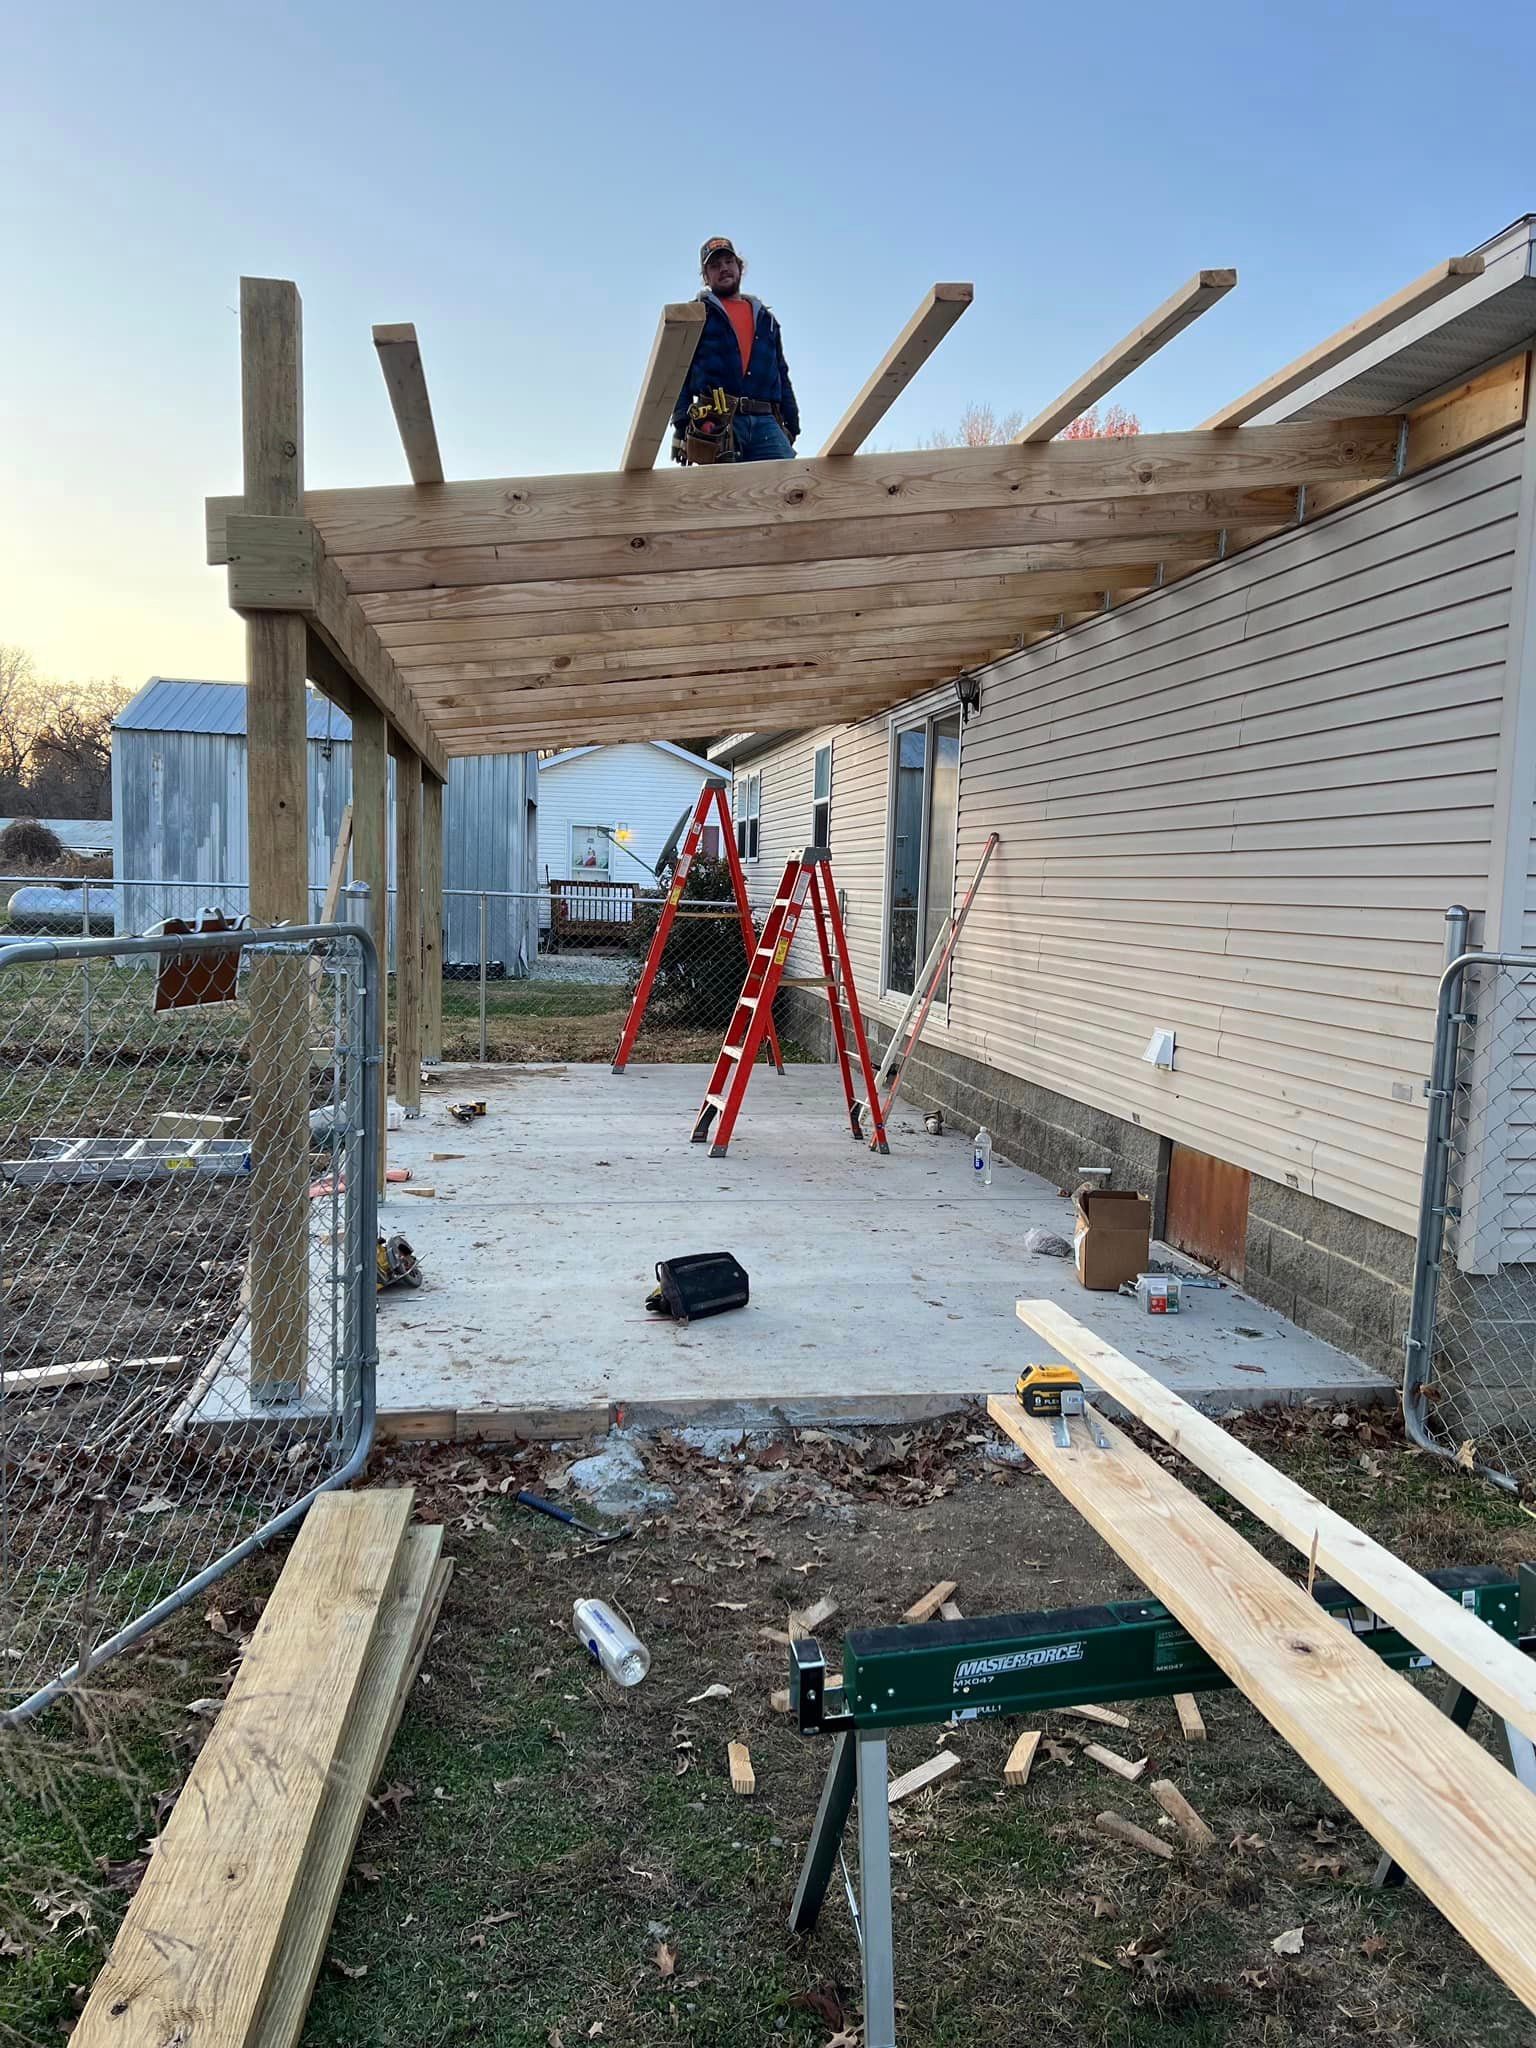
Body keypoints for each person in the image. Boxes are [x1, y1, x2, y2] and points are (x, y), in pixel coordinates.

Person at [671, 237, 801, 463]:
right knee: (721, 494)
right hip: (716, 421)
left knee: (787, 486)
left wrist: (792, 422)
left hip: (765, 420)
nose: (723, 269)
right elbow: (678, 372)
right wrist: (682, 422)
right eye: (714, 265)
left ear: (739, 267)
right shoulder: (697, 314)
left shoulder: (766, 320)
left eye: (728, 262)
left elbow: (781, 373)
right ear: (706, 276)